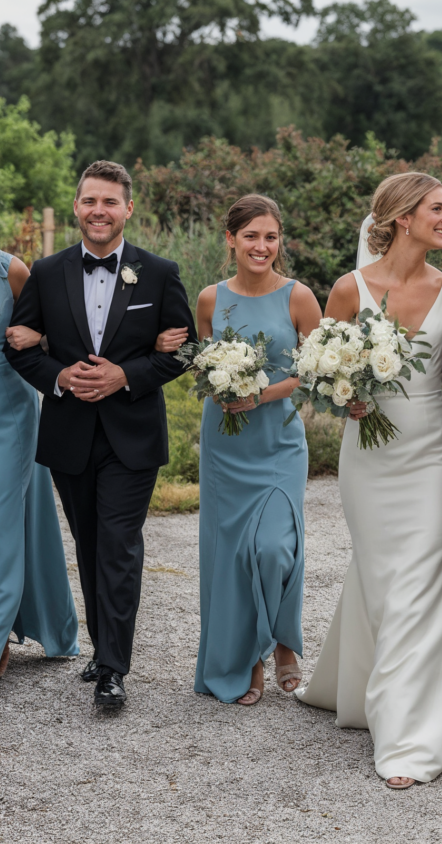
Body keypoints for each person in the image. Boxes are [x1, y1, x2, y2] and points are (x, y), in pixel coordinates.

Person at [298, 172, 442, 789]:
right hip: (368, 459)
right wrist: (346, 398)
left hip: (431, 453)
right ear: (401, 218)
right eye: (438, 209)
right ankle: (385, 686)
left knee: (420, 571)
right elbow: (317, 372)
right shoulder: (348, 288)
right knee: (385, 576)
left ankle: (411, 736)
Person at [4, 161, 196, 708]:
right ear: (76, 207)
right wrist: (60, 377)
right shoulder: (45, 271)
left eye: (110, 202)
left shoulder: (157, 272)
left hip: (132, 435)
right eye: (90, 201)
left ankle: (113, 668)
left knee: (118, 544)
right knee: (89, 545)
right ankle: (100, 647)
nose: (99, 211)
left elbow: (185, 349)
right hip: (69, 435)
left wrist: (126, 375)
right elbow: (18, 348)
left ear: (128, 209)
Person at [192, 195, 322, 706]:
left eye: (270, 237)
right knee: (230, 559)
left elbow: (314, 372)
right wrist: (219, 386)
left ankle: (284, 640)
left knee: (274, 548)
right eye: (250, 236)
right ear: (231, 239)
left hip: (278, 444)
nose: (261, 246)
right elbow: (200, 364)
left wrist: (259, 393)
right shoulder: (209, 298)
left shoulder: (299, 297)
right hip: (225, 447)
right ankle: (246, 658)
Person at [0, 251, 79, 678]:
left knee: (1, 518)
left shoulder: (9, 270)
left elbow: (53, 334)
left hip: (6, 412)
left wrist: (38, 337)